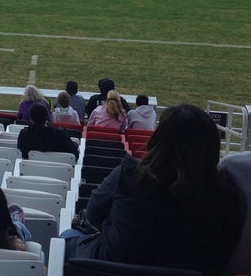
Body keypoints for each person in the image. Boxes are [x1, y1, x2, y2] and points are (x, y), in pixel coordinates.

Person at [61, 105, 243, 274]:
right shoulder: (226, 194)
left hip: (109, 266)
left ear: (159, 138)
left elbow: (93, 214)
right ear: (211, 146)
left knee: (67, 236)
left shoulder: (130, 172)